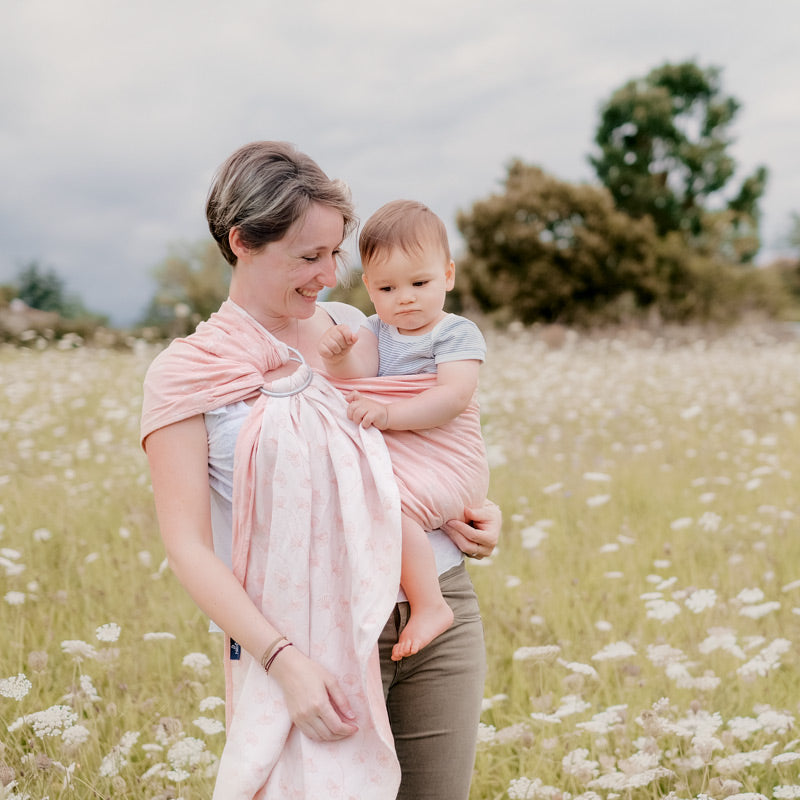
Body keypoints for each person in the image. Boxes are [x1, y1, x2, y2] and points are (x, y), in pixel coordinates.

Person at [140, 141, 499, 800]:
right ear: (243, 241)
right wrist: (282, 662)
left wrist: (470, 507)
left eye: (335, 252)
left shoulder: (355, 330)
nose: (330, 275)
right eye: (309, 257)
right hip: (306, 641)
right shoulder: (187, 372)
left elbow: (419, 436)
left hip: (439, 608)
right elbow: (187, 547)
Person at [318, 199, 489, 663]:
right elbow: (359, 374)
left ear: (448, 276)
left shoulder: (454, 333)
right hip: (411, 464)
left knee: (388, 506)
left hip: (449, 461)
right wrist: (337, 356)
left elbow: (452, 398)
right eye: (389, 287)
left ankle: (431, 605)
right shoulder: (376, 330)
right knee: (382, 497)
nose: (406, 297)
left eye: (420, 282)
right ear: (370, 291)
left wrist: (390, 414)